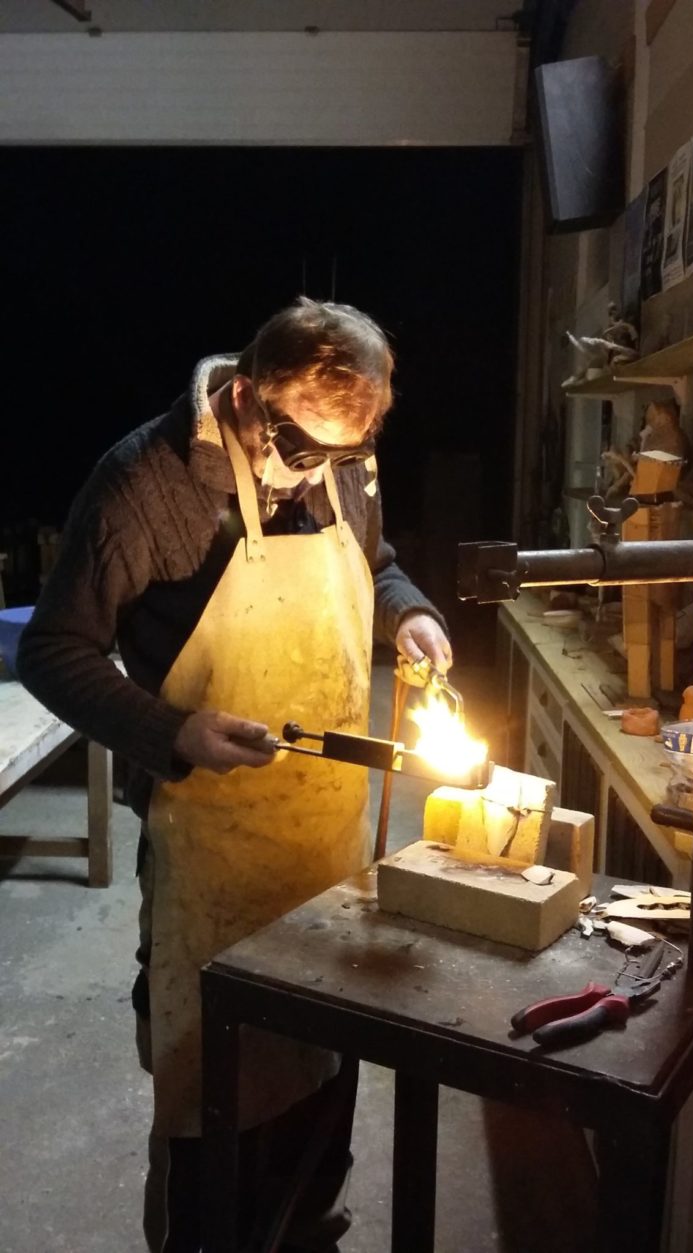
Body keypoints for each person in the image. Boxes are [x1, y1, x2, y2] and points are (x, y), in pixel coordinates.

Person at [17, 297, 452, 1253]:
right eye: (303, 447)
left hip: (327, 845)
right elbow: (55, 651)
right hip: (208, 847)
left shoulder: (338, 464)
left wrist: (408, 613)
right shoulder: (147, 481)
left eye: (348, 450)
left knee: (322, 1073)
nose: (321, 470)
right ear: (250, 398)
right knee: (213, 1095)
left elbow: (374, 564)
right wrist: (173, 730)